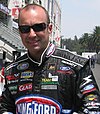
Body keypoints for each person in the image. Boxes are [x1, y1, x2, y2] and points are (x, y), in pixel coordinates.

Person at [0, 3, 100, 114]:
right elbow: (5, 108)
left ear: (50, 28)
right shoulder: (11, 70)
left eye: (38, 27)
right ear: (19, 32)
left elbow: (93, 109)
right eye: (25, 29)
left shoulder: (77, 66)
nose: (32, 34)